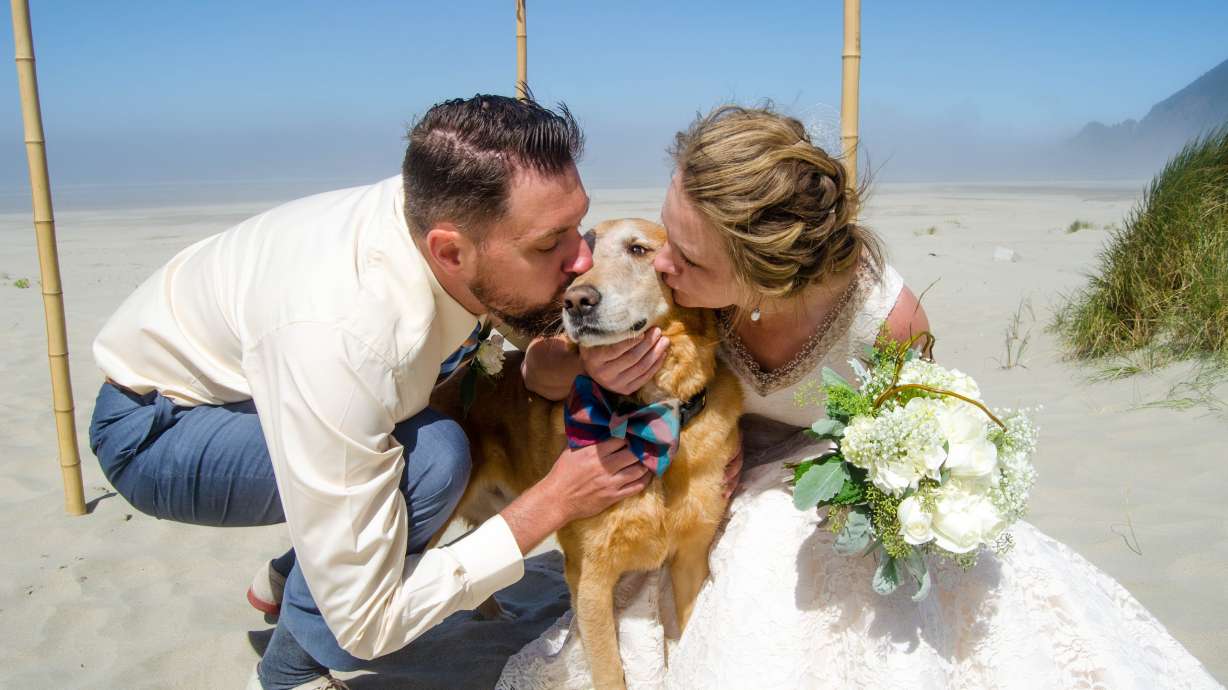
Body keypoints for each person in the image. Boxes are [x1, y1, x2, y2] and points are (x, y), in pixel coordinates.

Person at [502, 105, 1222, 689]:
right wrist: (590, 372)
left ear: (758, 274)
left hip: (815, 483)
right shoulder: (689, 296)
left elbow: (913, 434)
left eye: (684, 255)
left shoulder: (887, 322)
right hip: (716, 473)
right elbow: (541, 370)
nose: (662, 263)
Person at [87, 95, 661, 690]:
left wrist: (554, 367)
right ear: (449, 251)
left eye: (578, 225)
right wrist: (551, 502)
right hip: (163, 428)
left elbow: (514, 337)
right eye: (550, 244)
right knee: (433, 460)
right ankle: (286, 676)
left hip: (268, 385)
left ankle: (289, 575)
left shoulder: (451, 209)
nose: (582, 260)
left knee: (408, 454)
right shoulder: (343, 338)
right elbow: (367, 621)